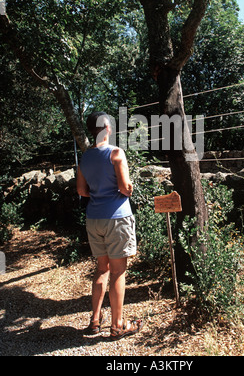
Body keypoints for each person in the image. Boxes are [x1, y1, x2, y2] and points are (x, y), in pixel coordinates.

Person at [76, 111, 143, 339]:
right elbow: (125, 189)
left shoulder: (85, 157)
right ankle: (117, 325)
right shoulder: (116, 153)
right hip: (116, 218)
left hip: (93, 218)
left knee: (101, 269)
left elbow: (81, 191)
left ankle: (95, 320)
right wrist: (130, 188)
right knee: (118, 272)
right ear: (107, 128)